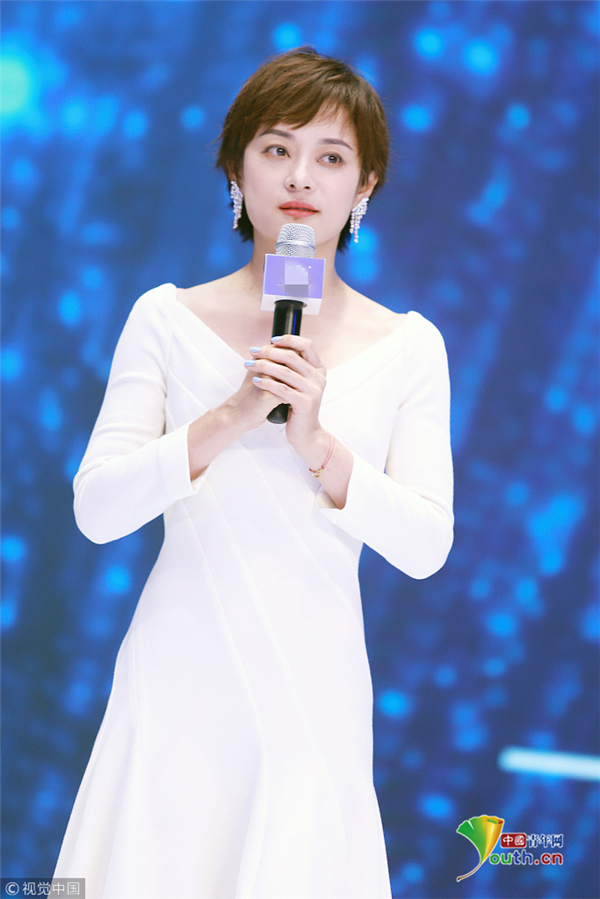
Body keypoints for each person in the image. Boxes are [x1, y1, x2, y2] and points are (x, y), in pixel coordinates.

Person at [52, 47, 453, 898]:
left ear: (365, 186)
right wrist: (233, 413)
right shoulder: (166, 318)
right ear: (237, 170)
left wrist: (319, 442)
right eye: (277, 148)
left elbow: (426, 546)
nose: (301, 175)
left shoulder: (411, 347)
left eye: (331, 157)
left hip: (314, 684)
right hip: (177, 675)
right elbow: (97, 509)